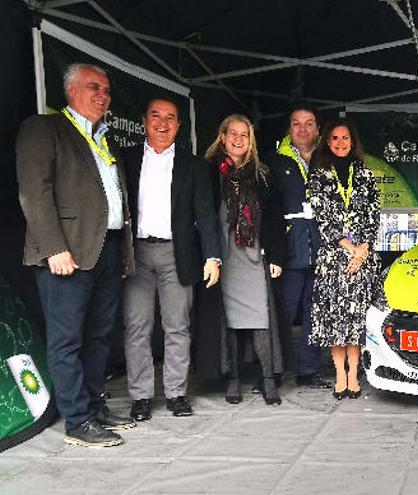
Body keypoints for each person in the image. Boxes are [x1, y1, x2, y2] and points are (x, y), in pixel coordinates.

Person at [16, 63, 136, 447]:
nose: (103, 95)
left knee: (99, 336)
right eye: (93, 87)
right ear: (70, 90)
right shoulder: (44, 128)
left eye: (107, 90)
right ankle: (77, 421)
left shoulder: (106, 138)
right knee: (67, 339)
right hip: (65, 253)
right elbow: (34, 191)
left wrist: (121, 253)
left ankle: (94, 405)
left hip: (107, 251)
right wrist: (54, 247)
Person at [121, 98, 221, 421]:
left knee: (177, 325)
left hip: (177, 253)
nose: (162, 123)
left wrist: (212, 257)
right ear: (144, 121)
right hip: (135, 253)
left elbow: (206, 214)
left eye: (170, 118)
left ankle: (176, 393)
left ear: (179, 125)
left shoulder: (194, 166)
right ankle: (141, 397)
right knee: (137, 326)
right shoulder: (127, 159)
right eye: (156, 116)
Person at [204, 114, 286, 406]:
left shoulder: (262, 174)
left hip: (254, 256)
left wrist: (276, 256)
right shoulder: (211, 171)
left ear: (250, 140)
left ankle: (267, 379)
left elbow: (275, 219)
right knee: (229, 320)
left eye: (245, 135)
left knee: (260, 317)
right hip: (223, 256)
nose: (239, 140)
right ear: (223, 137)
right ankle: (233, 378)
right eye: (233, 134)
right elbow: (202, 214)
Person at [308, 118, 380, 400]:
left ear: (353, 141)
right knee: (336, 321)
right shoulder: (318, 175)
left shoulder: (365, 174)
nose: (340, 143)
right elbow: (322, 218)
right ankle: (340, 374)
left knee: (356, 320)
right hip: (333, 258)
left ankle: (353, 375)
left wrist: (362, 249)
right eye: (335, 138)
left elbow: (374, 215)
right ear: (327, 141)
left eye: (345, 138)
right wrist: (348, 246)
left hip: (361, 258)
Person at [267, 104, 329, 389]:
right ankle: (274, 371)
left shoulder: (327, 158)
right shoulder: (275, 161)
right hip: (289, 250)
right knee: (283, 311)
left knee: (315, 311)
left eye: (308, 123)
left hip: (323, 248)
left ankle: (308, 370)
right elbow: (268, 209)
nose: (302, 129)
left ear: (317, 128)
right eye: (296, 123)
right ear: (288, 128)